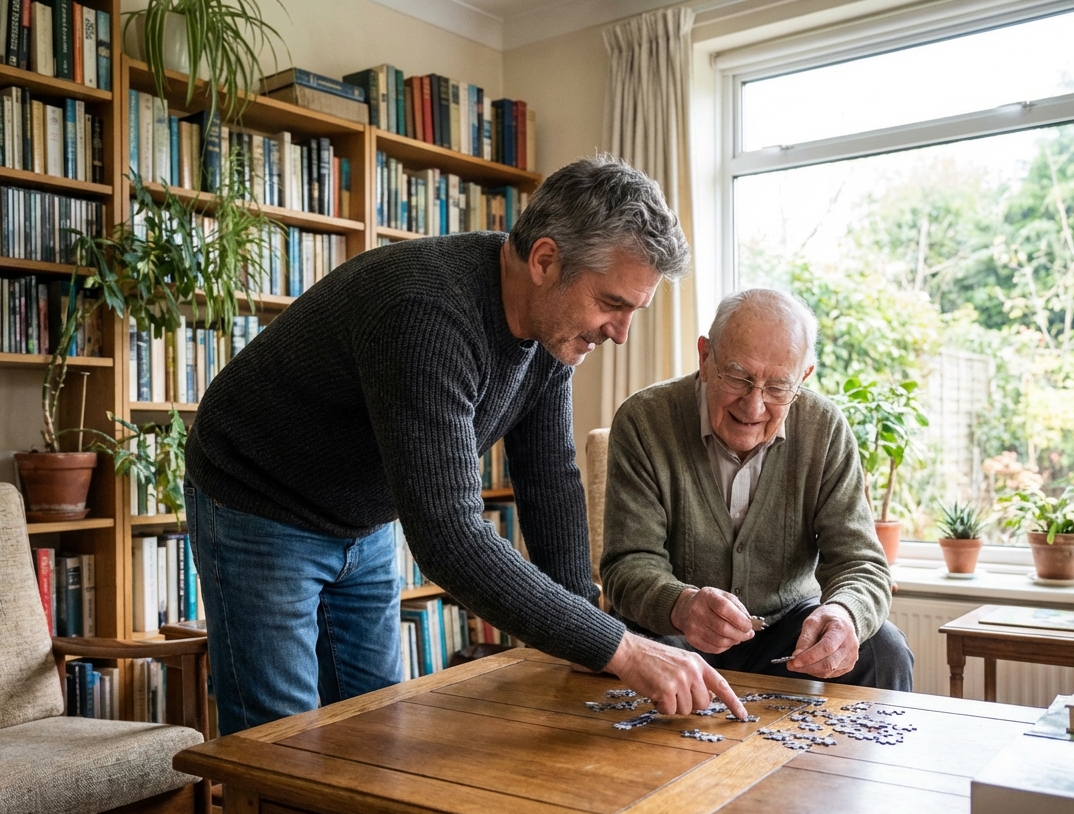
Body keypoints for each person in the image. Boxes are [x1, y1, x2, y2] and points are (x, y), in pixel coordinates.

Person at [184, 157, 749, 734]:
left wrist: (587, 635)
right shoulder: (427, 312)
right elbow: (450, 537)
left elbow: (550, 482)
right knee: (281, 747)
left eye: (634, 309)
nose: (620, 331)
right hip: (257, 500)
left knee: (376, 730)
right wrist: (623, 650)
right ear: (545, 260)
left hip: (361, 517)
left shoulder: (551, 333)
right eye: (612, 304)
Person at [601, 288, 914, 689]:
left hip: (786, 635)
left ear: (804, 377)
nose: (753, 406)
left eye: (778, 387)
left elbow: (862, 563)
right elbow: (627, 563)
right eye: (738, 377)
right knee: (623, 649)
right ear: (705, 357)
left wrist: (844, 613)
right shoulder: (644, 421)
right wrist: (680, 604)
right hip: (675, 634)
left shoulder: (825, 429)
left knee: (884, 648)